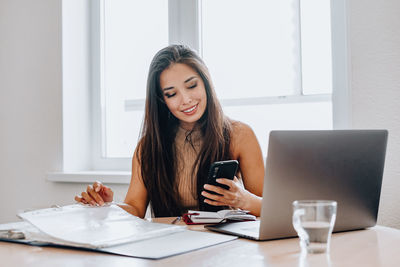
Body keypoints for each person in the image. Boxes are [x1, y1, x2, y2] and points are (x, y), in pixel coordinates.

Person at [75, 45, 265, 217]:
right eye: (171, 94)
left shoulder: (239, 135)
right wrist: (106, 207)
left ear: (206, 83)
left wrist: (244, 200)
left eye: (192, 86)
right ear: (161, 100)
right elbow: (135, 209)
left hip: (226, 245)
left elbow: (270, 208)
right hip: (169, 246)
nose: (186, 99)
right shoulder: (148, 147)